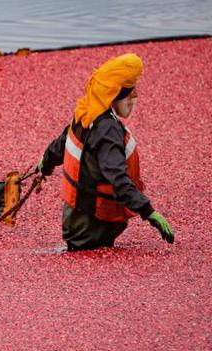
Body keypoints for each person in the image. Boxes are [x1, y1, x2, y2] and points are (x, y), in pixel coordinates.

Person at [37, 53, 174, 251]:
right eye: (130, 91)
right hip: (92, 225)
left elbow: (61, 144)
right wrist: (149, 212)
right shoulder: (107, 131)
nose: (135, 96)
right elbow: (117, 178)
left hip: (76, 218)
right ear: (116, 94)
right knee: (89, 265)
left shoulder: (86, 111)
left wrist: (45, 163)